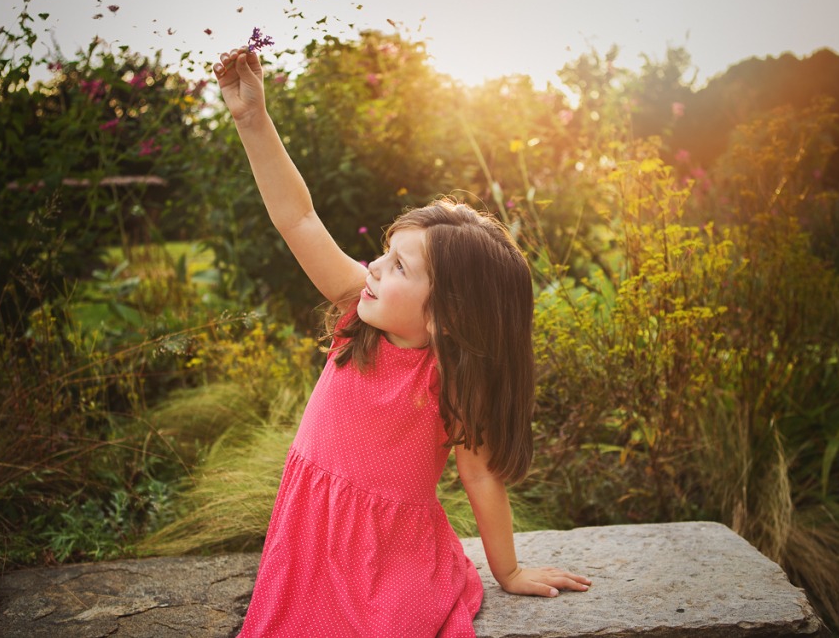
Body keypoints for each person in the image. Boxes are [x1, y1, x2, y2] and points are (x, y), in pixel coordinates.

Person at [214, 46, 591, 638]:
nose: (374, 269)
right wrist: (252, 120)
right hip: (313, 537)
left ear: (447, 316)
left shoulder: (450, 382)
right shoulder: (358, 314)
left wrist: (509, 570)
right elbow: (299, 218)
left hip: (386, 554)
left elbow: (482, 477)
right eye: (385, 254)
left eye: (397, 267)